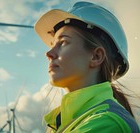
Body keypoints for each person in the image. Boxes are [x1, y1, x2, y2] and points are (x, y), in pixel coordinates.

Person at [34, 1, 140, 133]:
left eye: (63, 42)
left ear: (96, 57)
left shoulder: (107, 122)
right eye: (52, 45)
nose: (49, 53)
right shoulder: (61, 121)